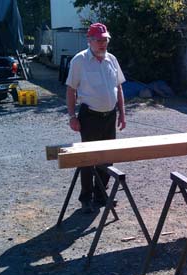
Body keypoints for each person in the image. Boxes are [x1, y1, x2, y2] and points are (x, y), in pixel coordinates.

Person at [65, 23, 126, 213]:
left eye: (105, 39)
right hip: (89, 116)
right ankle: (86, 197)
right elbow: (70, 89)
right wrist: (72, 116)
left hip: (110, 116)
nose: (103, 43)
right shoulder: (79, 60)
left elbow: (119, 88)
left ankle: (101, 195)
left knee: (107, 157)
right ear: (89, 41)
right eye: (99, 40)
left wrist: (122, 113)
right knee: (88, 158)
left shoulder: (112, 59)